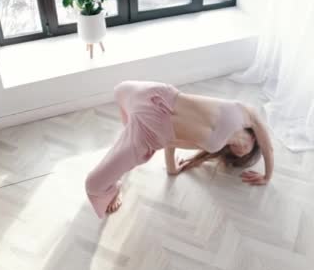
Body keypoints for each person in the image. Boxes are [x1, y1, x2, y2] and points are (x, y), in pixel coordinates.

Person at [84, 80, 275, 218]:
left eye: (238, 156)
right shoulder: (248, 113)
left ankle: (114, 186)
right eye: (249, 150)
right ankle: (123, 144)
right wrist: (267, 176)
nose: (241, 151)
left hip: (149, 131)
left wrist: (173, 169)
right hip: (158, 96)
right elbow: (269, 149)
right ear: (254, 138)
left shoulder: (215, 145)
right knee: (120, 89)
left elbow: (172, 143)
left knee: (92, 185)